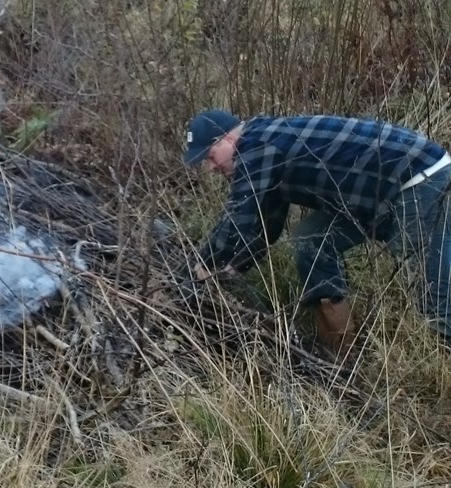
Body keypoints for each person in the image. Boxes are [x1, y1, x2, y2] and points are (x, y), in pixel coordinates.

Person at [183, 107, 451, 354]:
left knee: (434, 296)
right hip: (377, 194)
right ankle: (339, 351)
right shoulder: (265, 150)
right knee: (311, 239)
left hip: (420, 178)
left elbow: (239, 214)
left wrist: (201, 266)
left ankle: (442, 361)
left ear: (228, 139)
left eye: (210, 156)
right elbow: (263, 227)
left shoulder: (256, 145)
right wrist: (233, 267)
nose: (211, 167)